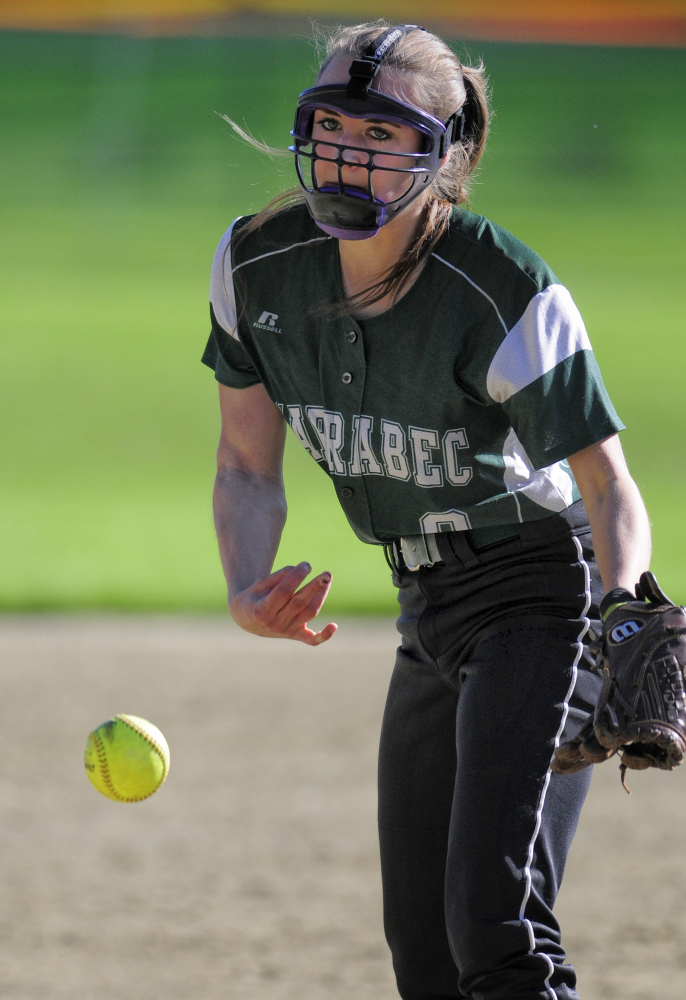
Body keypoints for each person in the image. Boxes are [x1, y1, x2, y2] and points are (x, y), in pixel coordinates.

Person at [202, 21, 651, 1000]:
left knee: (493, 927)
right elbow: (246, 465)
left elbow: (610, 483)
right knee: (425, 956)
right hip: (428, 606)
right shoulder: (255, 269)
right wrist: (245, 585)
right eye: (331, 124)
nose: (347, 150)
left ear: (442, 157)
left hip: (543, 598)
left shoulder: (502, 292)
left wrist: (624, 607)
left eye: (383, 133)